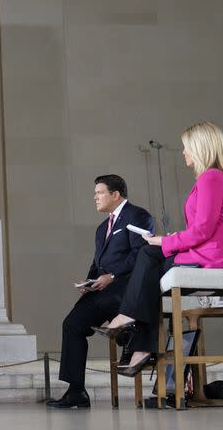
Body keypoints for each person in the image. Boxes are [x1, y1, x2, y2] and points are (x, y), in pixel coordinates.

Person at [96, 121, 223, 377]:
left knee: (148, 255)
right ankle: (139, 343)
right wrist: (170, 240)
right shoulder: (212, 179)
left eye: (186, 147)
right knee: (148, 264)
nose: (183, 152)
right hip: (205, 250)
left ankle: (130, 324)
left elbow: (203, 231)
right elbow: (202, 227)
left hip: (211, 256)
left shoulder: (211, 178)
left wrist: (165, 242)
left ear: (200, 148)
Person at [46, 175, 154, 409]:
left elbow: (141, 254)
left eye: (100, 193)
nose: (95, 197)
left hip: (127, 288)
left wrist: (112, 277)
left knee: (116, 318)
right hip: (104, 289)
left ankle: (134, 338)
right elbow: (99, 262)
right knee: (72, 324)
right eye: (94, 193)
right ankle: (76, 391)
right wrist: (90, 281)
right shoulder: (101, 228)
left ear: (115, 194)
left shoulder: (138, 215)